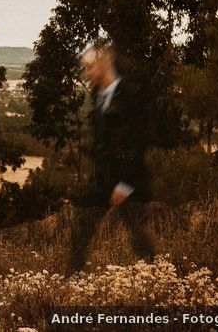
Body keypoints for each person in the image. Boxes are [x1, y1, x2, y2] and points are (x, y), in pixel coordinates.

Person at [68, 43, 155, 274]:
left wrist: (125, 185)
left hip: (129, 183)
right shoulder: (100, 97)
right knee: (83, 227)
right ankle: (72, 276)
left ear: (104, 64)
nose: (86, 74)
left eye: (89, 68)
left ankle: (167, 278)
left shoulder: (130, 95)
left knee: (140, 238)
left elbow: (137, 143)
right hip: (105, 182)